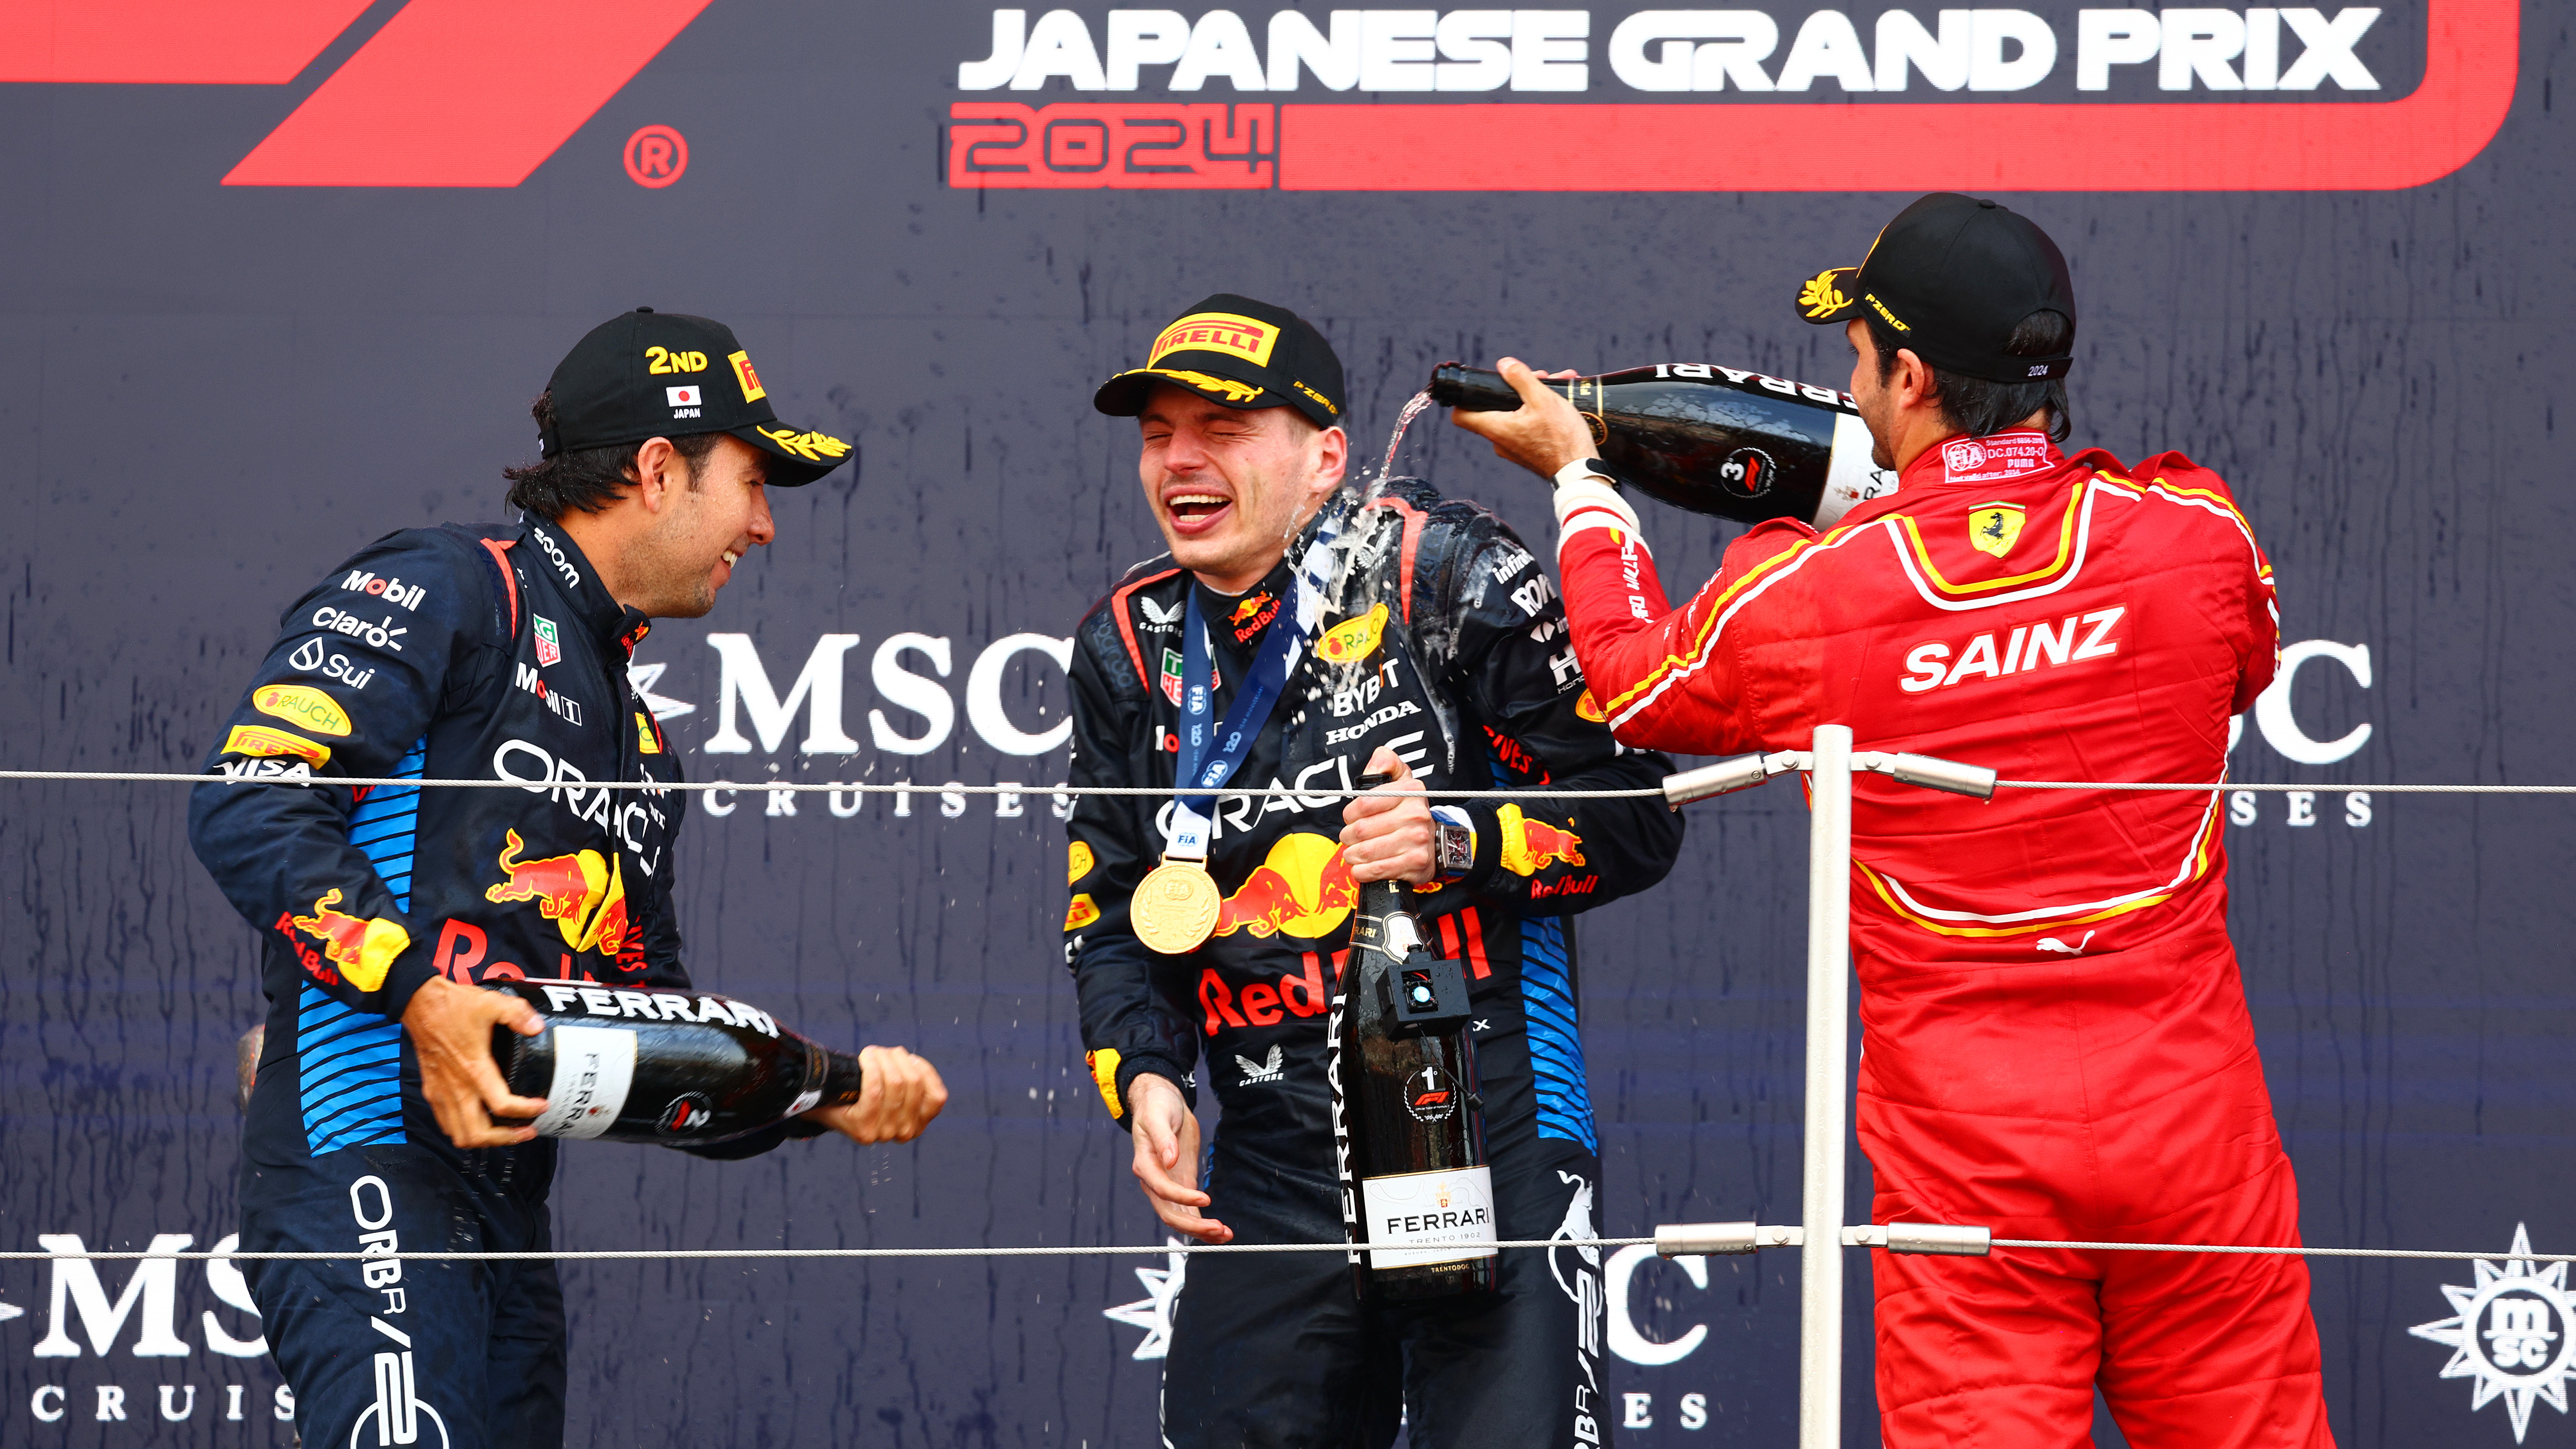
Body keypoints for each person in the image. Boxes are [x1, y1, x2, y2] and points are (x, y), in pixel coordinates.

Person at [1452, 195, 2332, 1448]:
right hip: (2191, 1142)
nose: (1845, 380)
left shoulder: (1813, 591)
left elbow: (1632, 682)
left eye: (1858, 356)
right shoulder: (2188, 538)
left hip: (1966, 1172)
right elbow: (2238, 661)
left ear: (1909, 373)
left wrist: (1583, 483)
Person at [189, 308, 948, 1449]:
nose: (763, 523)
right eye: (750, 480)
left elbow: (654, 1036)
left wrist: (826, 1092)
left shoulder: (642, 747)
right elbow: (252, 796)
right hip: (364, 1167)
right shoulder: (450, 588)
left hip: (504, 1219)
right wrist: (419, 997)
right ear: (656, 470)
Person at [1064, 293, 1685, 1448]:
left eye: (1225, 428)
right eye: (1158, 433)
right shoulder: (1124, 643)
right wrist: (1147, 1077)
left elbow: (1639, 820)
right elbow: (1108, 910)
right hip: (1264, 1161)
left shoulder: (1445, 572)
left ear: (1324, 457)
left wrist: (1461, 838)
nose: (1182, 461)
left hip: (1486, 1122)